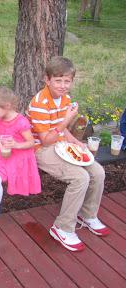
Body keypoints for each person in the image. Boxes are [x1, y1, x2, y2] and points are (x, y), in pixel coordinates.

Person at [27, 56, 109, 252]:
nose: (63, 86)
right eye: (58, 80)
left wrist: (77, 142)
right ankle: (62, 228)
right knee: (80, 177)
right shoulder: (39, 102)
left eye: (67, 81)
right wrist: (67, 119)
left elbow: (63, 132)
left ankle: (87, 215)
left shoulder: (66, 99)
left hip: (61, 145)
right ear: (47, 80)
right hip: (41, 150)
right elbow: (46, 139)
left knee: (97, 172)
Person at [0, 86, 41, 222]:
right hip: (3, 151)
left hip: (19, 155)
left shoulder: (21, 122)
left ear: (7, 106)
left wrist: (15, 144)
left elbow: (31, 143)